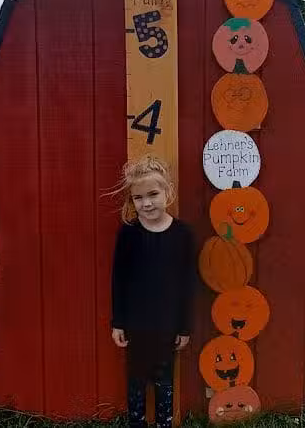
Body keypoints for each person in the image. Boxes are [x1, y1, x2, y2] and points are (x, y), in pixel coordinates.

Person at [109, 156, 195, 428]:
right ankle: (136, 423)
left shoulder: (183, 234)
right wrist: (118, 323)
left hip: (168, 326)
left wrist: (184, 327)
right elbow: (118, 280)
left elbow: (187, 284)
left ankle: (163, 423)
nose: (146, 203)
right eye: (138, 198)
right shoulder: (128, 234)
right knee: (136, 380)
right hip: (136, 326)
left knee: (164, 380)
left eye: (153, 194)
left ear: (167, 192)